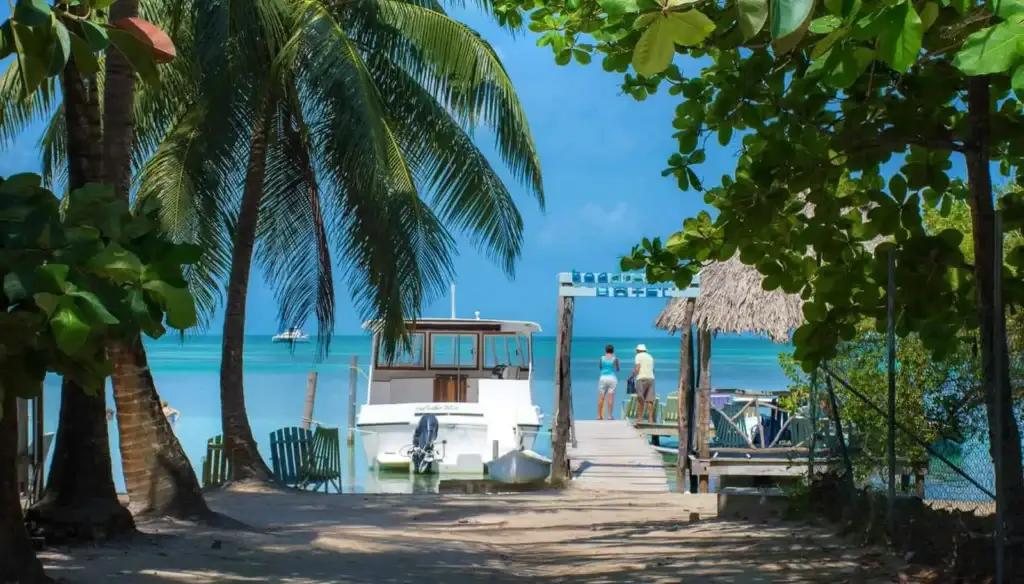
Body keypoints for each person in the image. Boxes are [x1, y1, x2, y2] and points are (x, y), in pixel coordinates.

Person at [632, 344, 656, 423]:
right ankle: (650, 419)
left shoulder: (638, 356)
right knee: (650, 400)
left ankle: (640, 418)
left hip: (641, 379)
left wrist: (632, 376)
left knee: (640, 399)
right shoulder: (650, 357)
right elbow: (653, 370)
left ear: (638, 350)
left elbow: (637, 368)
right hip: (651, 379)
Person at [597, 344, 620, 420]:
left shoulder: (601, 358)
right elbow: (617, 369)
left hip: (603, 377)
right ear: (613, 351)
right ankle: (610, 416)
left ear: (605, 350)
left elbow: (600, 367)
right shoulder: (615, 358)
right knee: (610, 398)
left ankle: (599, 415)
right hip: (612, 378)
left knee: (601, 397)